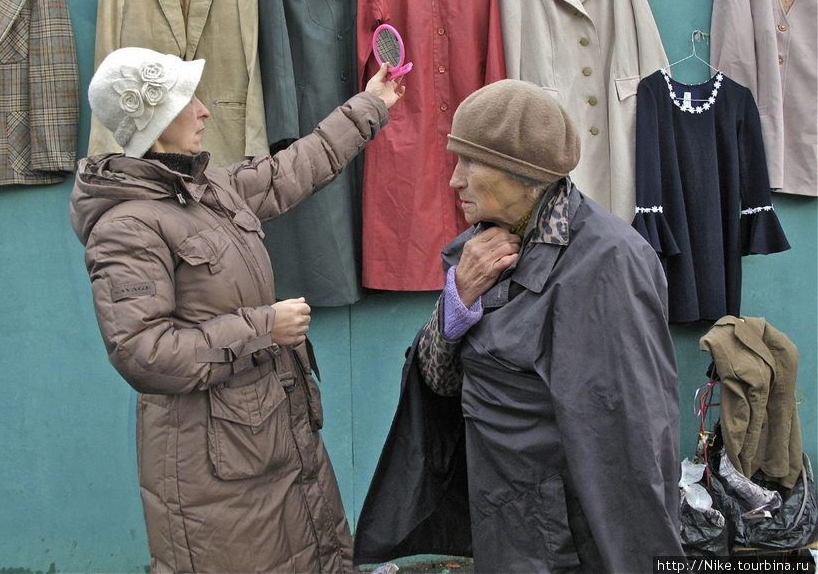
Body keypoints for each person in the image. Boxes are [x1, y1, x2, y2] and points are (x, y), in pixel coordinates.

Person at [69, 47, 404, 573]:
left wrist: (371, 104)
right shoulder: (126, 228)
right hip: (212, 463)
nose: (205, 111)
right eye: (189, 100)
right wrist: (263, 327)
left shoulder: (206, 191)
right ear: (156, 122)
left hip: (267, 433)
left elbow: (293, 168)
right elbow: (142, 353)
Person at [354, 79, 684, 573]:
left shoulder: (608, 263)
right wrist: (458, 300)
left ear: (523, 175)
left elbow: (631, 438)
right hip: (501, 519)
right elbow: (441, 382)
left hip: (563, 539)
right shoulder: (482, 251)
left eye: (470, 162)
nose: (454, 180)